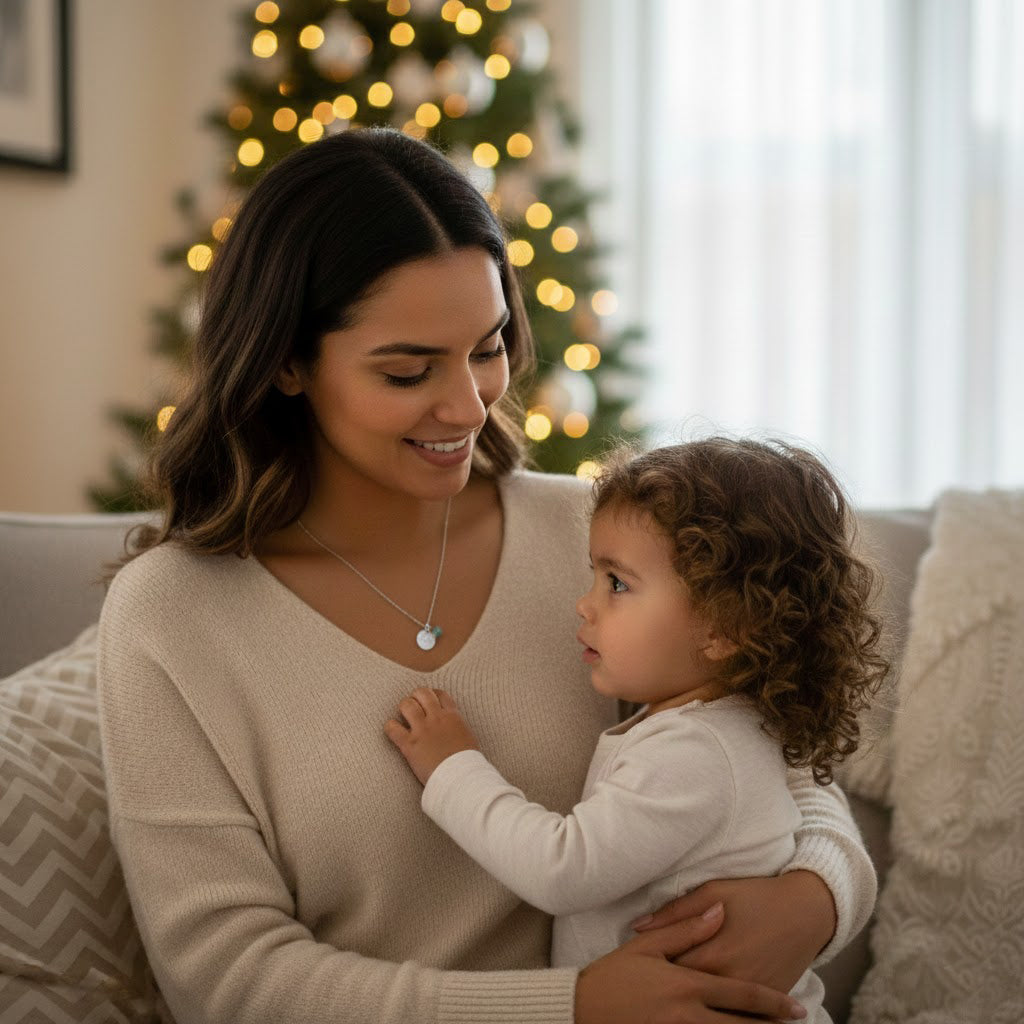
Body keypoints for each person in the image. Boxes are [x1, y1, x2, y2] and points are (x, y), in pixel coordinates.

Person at [97, 127, 877, 1024]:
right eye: (407, 370)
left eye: (488, 345)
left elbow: (776, 759)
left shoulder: (598, 540)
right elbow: (227, 979)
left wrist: (815, 901)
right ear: (284, 362)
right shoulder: (170, 619)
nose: (470, 404)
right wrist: (569, 1006)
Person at [386, 438, 889, 1023]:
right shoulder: (730, 720)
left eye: (617, 584)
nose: (584, 605)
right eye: (594, 576)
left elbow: (562, 870)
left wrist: (452, 768)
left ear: (725, 628)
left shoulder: (693, 752)